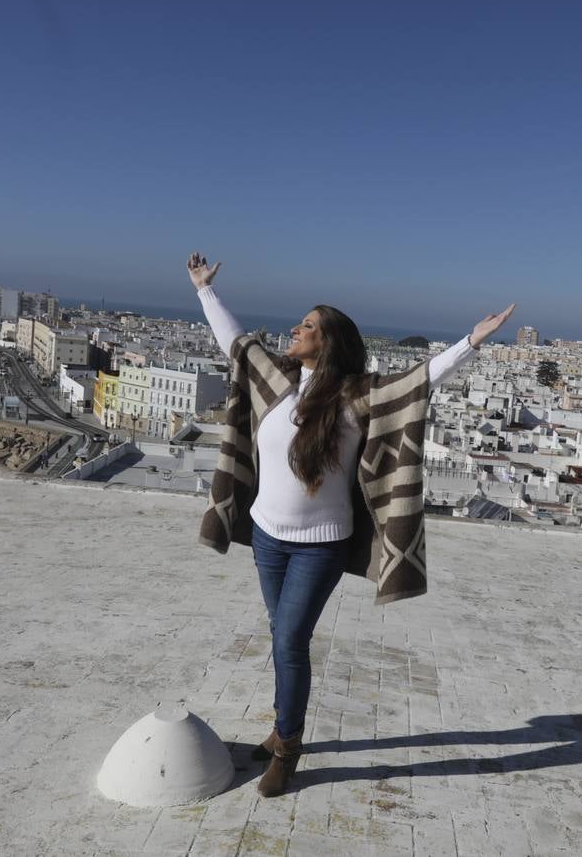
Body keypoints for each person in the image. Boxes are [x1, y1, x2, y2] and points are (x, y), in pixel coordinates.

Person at [187, 252, 515, 797]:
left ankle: (288, 747)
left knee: (290, 639)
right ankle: (279, 728)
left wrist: (472, 341)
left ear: (328, 340)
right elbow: (236, 342)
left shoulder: (357, 396)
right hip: (267, 536)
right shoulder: (277, 381)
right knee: (279, 635)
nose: (296, 329)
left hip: (320, 546)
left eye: (308, 325)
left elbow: (419, 381)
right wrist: (204, 290)